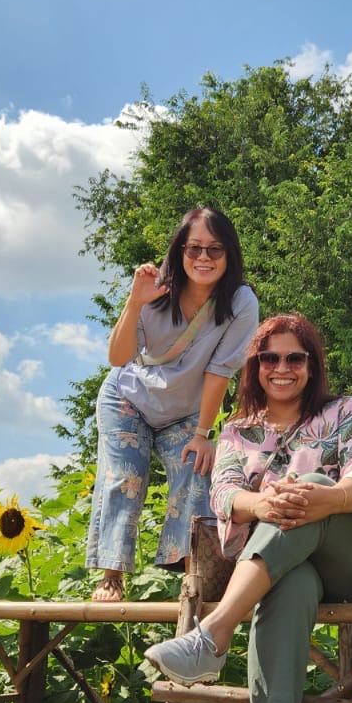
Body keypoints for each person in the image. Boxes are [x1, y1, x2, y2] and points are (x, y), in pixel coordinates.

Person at [145, 313, 352, 703]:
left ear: (311, 365)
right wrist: (265, 502)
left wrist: (320, 496)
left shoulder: (343, 412)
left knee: (308, 485)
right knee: (291, 584)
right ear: (254, 367)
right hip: (287, 565)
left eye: (295, 358)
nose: (282, 368)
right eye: (269, 358)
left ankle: (213, 635)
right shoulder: (239, 431)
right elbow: (224, 494)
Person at [87, 207, 258, 599]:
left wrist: (203, 434)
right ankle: (111, 575)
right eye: (194, 248)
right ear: (179, 251)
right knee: (126, 477)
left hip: (185, 412)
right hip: (128, 400)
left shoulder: (240, 301)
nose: (203, 258)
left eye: (215, 250)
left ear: (229, 255)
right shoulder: (155, 289)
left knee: (198, 474)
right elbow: (118, 357)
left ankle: (191, 571)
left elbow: (221, 370)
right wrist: (134, 303)